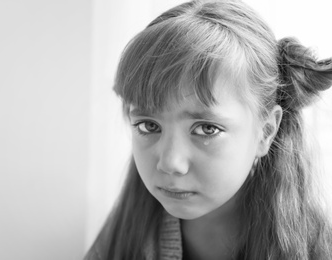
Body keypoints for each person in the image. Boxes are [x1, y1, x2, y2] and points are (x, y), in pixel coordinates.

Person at [84, 0, 332, 259]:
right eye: (149, 125)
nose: (171, 163)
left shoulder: (314, 248)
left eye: (206, 129)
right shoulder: (125, 234)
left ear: (266, 131)